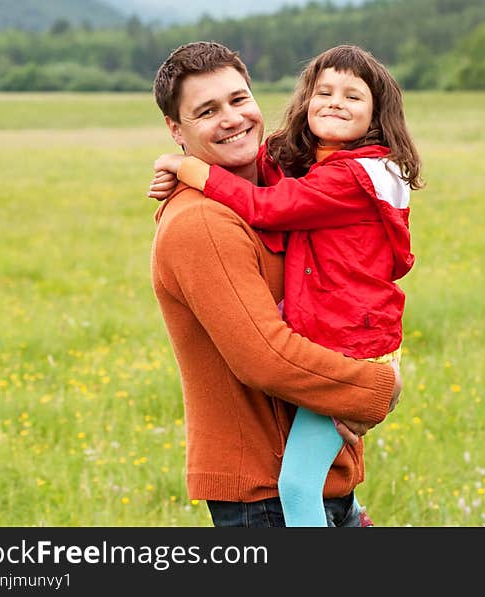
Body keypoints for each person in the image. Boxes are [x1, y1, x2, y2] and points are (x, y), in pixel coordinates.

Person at [149, 44, 423, 526]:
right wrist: (380, 387)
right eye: (207, 111)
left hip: (315, 490)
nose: (232, 119)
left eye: (239, 99)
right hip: (266, 499)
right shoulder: (204, 223)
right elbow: (268, 358)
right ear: (176, 130)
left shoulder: (286, 189)